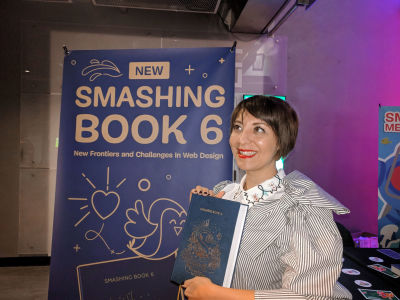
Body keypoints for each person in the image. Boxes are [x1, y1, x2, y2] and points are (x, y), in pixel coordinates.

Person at [183, 96, 352, 300]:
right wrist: (201, 216)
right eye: (238, 127)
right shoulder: (224, 192)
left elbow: (310, 296)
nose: (242, 139)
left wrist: (217, 294)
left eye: (259, 129)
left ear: (281, 142)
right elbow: (196, 267)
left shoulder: (302, 209)